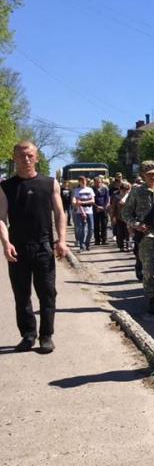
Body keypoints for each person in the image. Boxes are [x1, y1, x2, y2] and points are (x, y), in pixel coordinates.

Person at [0, 141, 68, 353]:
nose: (26, 159)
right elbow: (1, 218)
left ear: (37, 158)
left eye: (30, 155)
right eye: (21, 155)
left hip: (43, 247)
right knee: (22, 295)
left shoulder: (49, 183)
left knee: (47, 294)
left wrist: (62, 240)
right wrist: (6, 243)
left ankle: (46, 335)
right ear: (14, 158)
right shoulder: (6, 187)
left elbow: (59, 213)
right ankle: (28, 335)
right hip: (18, 249)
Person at [121, 161, 154, 314]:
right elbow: (125, 212)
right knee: (147, 269)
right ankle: (151, 297)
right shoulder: (137, 192)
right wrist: (136, 224)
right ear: (143, 175)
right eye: (150, 174)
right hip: (145, 236)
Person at [71, 176, 95, 252]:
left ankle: (87, 243)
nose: (84, 182)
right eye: (82, 181)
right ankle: (82, 245)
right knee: (81, 229)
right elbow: (77, 202)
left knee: (91, 229)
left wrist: (83, 202)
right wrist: (82, 211)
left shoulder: (90, 189)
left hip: (89, 211)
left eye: (84, 180)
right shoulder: (77, 190)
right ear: (79, 182)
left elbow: (92, 200)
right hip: (80, 212)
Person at [109, 181, 131, 251]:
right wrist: (113, 217)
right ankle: (121, 246)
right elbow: (113, 208)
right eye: (123, 189)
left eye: (126, 189)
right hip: (119, 217)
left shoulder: (130, 197)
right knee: (120, 232)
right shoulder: (116, 197)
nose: (124, 191)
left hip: (128, 217)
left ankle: (128, 245)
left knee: (128, 232)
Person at [92, 175, 110, 245]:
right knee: (96, 225)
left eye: (100, 182)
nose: (99, 183)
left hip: (104, 208)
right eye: (97, 182)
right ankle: (97, 240)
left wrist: (103, 207)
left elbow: (107, 198)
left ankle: (104, 239)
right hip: (95, 209)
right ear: (94, 182)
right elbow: (92, 200)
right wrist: (97, 207)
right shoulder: (92, 189)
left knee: (104, 224)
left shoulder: (105, 189)